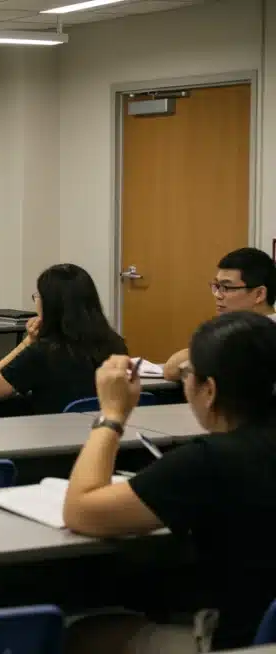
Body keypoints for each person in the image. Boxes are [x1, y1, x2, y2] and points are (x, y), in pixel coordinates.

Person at [63, 311, 276, 652]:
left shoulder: (208, 459)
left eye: (189, 375)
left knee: (82, 632)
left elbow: (80, 511)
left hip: (241, 643)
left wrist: (112, 414)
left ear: (209, 390)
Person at [0, 264, 128, 414]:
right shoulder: (116, 344)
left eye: (37, 297)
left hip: (53, 434)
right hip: (103, 433)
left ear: (49, 304)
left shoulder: (43, 352)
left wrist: (27, 342)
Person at [162, 247, 276, 381]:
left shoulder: (251, 336)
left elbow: (171, 370)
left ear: (259, 294)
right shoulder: (238, 329)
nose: (217, 295)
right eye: (217, 286)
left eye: (226, 287)